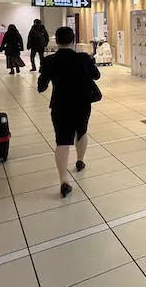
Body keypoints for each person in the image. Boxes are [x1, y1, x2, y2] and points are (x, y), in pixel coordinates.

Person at [37, 26, 101, 197]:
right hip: (82, 103)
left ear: (56, 41)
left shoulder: (49, 61)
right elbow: (96, 76)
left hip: (60, 105)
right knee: (82, 131)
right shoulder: (83, 58)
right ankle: (80, 161)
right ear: (73, 40)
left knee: (62, 141)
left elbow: (41, 87)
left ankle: (64, 180)